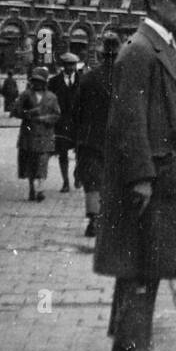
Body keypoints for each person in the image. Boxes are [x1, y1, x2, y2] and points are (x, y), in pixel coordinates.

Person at [95, 0, 176, 351]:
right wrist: (141, 175)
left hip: (165, 175)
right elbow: (128, 118)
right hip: (151, 178)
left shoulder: (162, 46)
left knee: (146, 263)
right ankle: (133, 348)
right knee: (141, 263)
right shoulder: (141, 50)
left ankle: (130, 342)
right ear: (154, 2)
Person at [71, 34, 121, 238]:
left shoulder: (88, 78)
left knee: (92, 181)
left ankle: (93, 221)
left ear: (100, 55)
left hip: (91, 139)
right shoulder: (128, 78)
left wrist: (78, 138)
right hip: (119, 139)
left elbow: (77, 111)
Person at [17, 67, 61, 202]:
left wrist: (45, 119)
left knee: (42, 163)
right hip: (29, 134)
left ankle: (40, 189)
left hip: (45, 135)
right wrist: (28, 113)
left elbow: (57, 114)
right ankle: (31, 188)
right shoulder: (26, 95)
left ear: (44, 83)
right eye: (34, 81)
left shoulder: (51, 97)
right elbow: (15, 111)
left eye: (39, 81)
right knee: (31, 163)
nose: (37, 84)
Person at [49, 53, 82, 192]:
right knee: (62, 153)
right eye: (68, 65)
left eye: (73, 65)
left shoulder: (83, 80)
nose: (71, 67)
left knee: (81, 152)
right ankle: (65, 181)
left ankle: (77, 175)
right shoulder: (54, 82)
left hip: (78, 122)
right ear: (63, 66)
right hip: (61, 123)